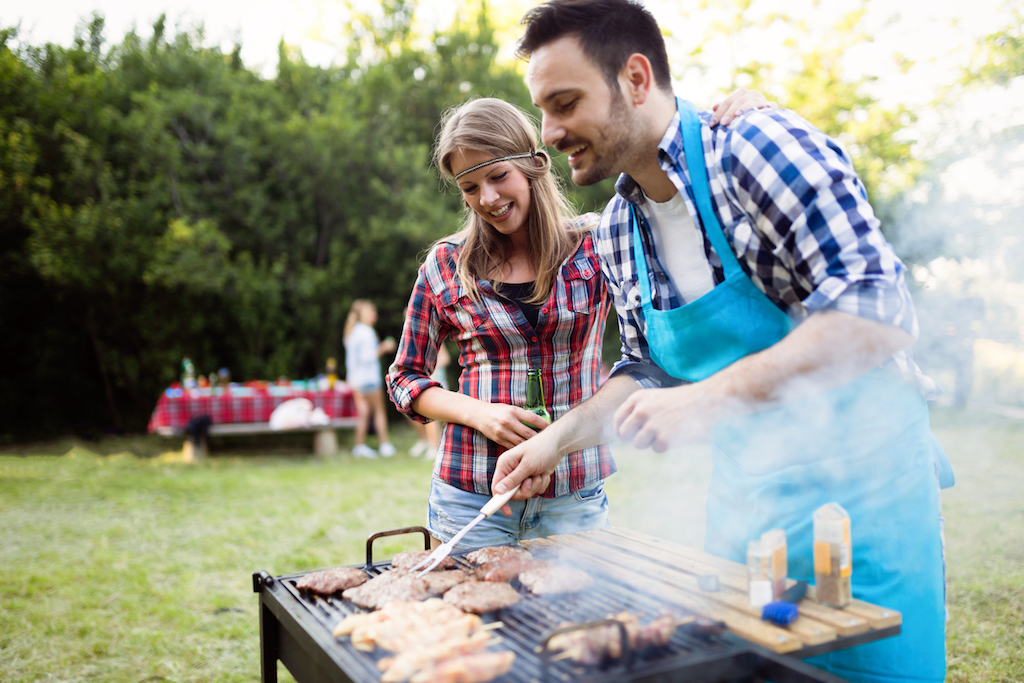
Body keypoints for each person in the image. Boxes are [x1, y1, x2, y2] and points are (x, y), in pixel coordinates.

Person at [492, 2, 953, 682]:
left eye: (564, 103)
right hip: (747, 515)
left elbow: (875, 311)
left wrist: (709, 399)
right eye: (543, 109)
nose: (549, 132)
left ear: (637, 78)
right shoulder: (619, 227)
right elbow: (647, 370)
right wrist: (557, 438)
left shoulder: (758, 150)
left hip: (863, 508)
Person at [387, 91, 771, 548]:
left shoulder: (600, 242)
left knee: (574, 618)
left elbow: (678, 202)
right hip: (472, 497)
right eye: (470, 187)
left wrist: (739, 120)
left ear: (534, 164)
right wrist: (479, 414)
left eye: (497, 176)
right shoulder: (447, 264)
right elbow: (404, 378)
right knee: (472, 620)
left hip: (574, 494)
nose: (487, 198)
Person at [344, 299, 398, 458]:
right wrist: (384, 347)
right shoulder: (366, 333)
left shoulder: (353, 331)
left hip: (355, 380)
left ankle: (359, 445)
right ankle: (384, 444)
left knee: (364, 412)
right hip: (368, 379)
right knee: (379, 411)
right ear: (363, 315)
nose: (374, 315)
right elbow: (367, 357)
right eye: (371, 312)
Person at [408, 341, 450, 457]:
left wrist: (429, 366)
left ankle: (434, 447)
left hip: (437, 383)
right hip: (424, 383)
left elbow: (446, 358)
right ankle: (428, 443)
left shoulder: (435, 341)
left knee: (432, 418)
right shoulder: (415, 343)